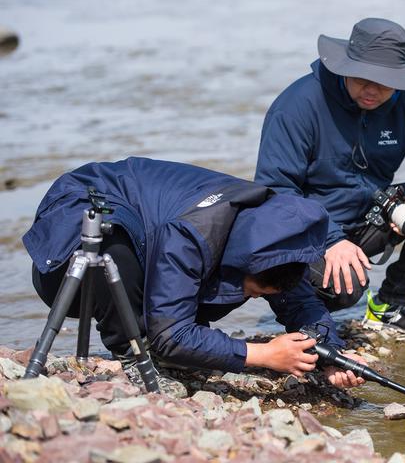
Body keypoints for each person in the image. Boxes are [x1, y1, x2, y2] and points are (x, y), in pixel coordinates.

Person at [23, 157, 366, 396]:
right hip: (71, 253)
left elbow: (298, 299)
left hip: (153, 235)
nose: (258, 298)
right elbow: (171, 335)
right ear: (245, 265)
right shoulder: (190, 236)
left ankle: (155, 341)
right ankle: (133, 354)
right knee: (113, 256)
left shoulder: (270, 237)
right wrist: (262, 355)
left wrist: (329, 354)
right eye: (255, 292)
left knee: (194, 300)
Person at [255, 18, 405, 336]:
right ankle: (300, 310)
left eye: (386, 81)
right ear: (346, 66)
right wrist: (332, 241)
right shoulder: (297, 106)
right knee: (346, 290)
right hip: (307, 234)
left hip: (368, 218)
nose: (373, 90)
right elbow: (274, 190)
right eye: (363, 78)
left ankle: (392, 307)